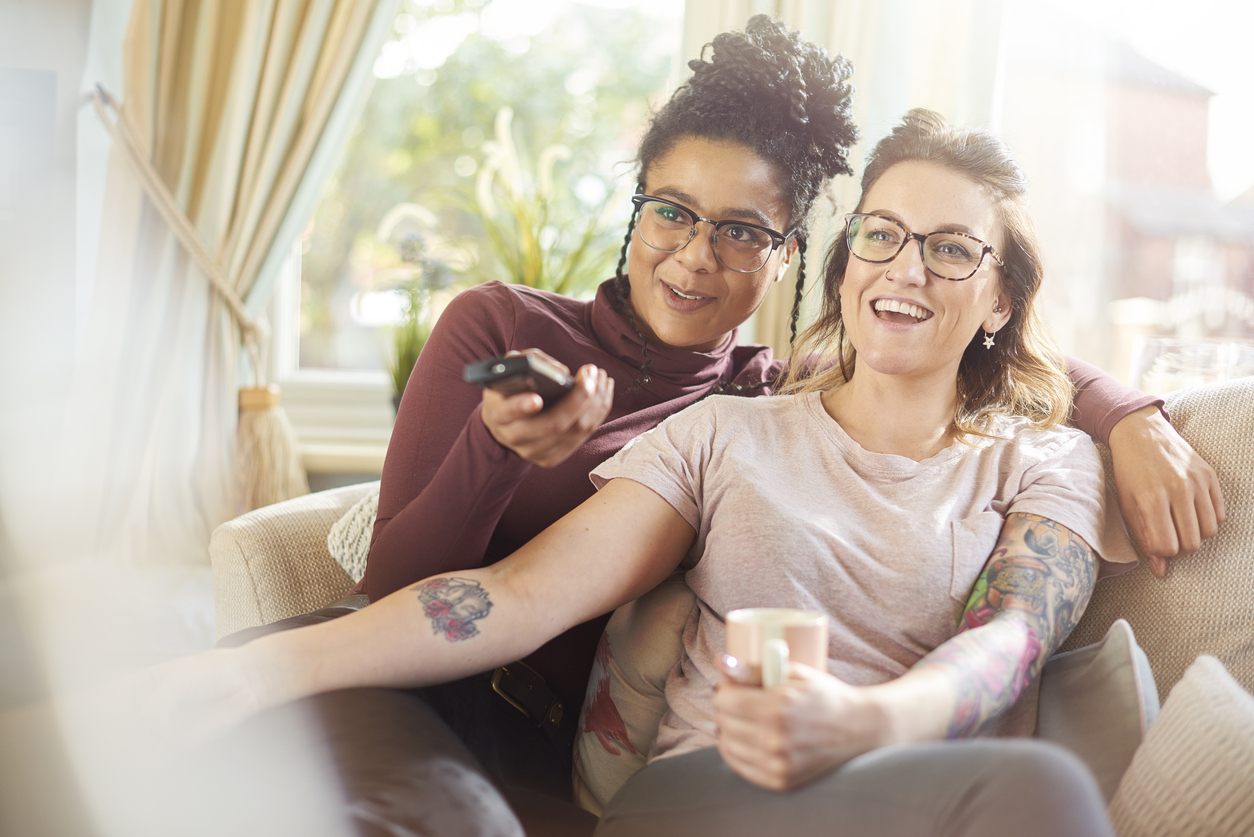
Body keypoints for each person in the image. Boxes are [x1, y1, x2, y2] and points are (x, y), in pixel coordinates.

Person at [223, 15, 1222, 835]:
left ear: (788, 256)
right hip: (420, 686)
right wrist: (494, 447)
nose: (697, 256)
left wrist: (1125, 411)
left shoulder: (759, 387)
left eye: (742, 230)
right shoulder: (628, 385)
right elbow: (487, 596)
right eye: (671, 212)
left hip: (612, 748)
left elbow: (1006, 613)